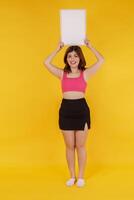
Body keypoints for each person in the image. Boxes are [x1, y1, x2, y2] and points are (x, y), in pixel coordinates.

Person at [43, 38, 104, 187]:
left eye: (75, 56)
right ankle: (72, 176)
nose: (72, 59)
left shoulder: (86, 73)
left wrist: (90, 46)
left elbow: (101, 60)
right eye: (69, 56)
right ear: (66, 59)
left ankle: (81, 177)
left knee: (81, 146)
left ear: (80, 58)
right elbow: (46, 63)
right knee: (70, 146)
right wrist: (57, 49)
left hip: (81, 111)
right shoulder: (61, 73)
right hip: (66, 111)